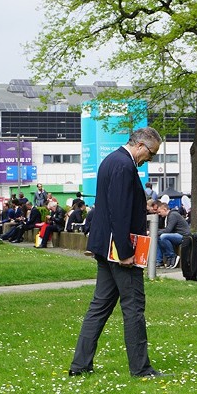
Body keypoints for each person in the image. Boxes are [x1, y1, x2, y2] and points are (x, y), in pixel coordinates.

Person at [69, 127, 166, 378]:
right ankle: (141, 368)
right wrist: (125, 252)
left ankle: (80, 365)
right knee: (134, 307)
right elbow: (119, 212)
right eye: (151, 153)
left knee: (99, 306)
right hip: (119, 249)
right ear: (141, 145)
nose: (149, 159)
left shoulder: (111, 160)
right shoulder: (124, 165)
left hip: (104, 246)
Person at [155, 202, 191, 268]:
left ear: (165, 209)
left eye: (160, 212)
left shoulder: (173, 215)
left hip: (183, 236)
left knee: (163, 236)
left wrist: (154, 232)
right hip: (177, 234)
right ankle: (159, 261)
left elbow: (168, 230)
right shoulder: (169, 216)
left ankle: (172, 256)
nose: (159, 214)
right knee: (157, 237)